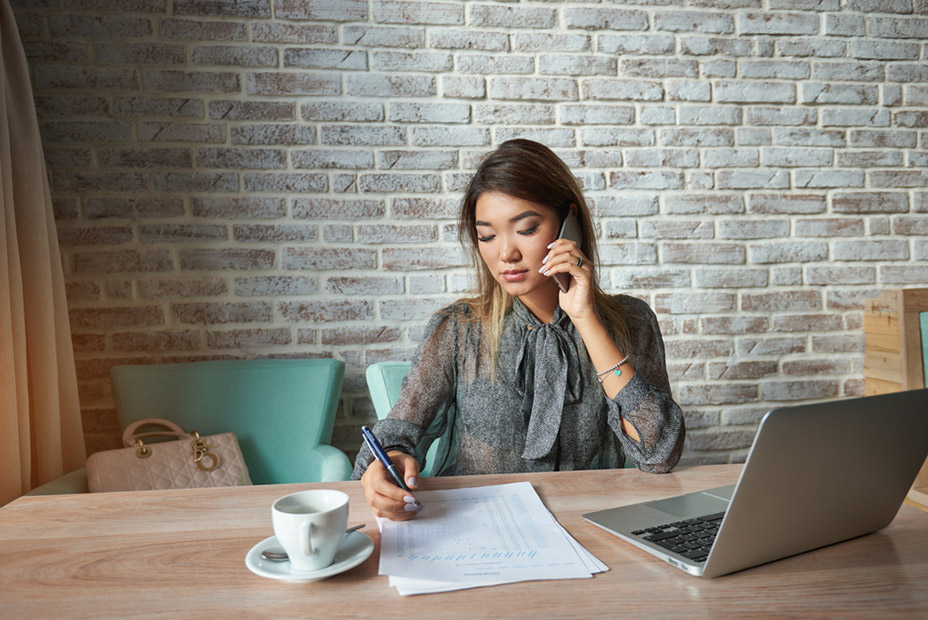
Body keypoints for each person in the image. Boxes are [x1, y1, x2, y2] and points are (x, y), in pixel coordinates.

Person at [352, 139, 685, 520]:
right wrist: (390, 463)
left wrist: (586, 319)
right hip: (478, 530)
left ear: (568, 221)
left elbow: (659, 453)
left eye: (525, 229)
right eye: (487, 236)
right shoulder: (458, 329)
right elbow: (399, 431)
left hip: (591, 528)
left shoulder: (632, 321)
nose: (505, 253)